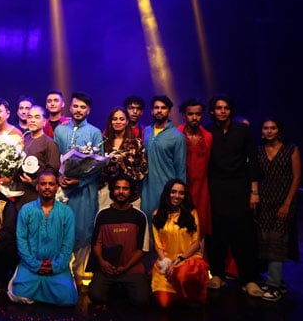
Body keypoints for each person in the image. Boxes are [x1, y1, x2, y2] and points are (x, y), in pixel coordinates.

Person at [204, 94, 263, 297]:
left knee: (244, 234)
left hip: (240, 186)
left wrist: (254, 191)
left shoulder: (243, 130)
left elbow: (253, 161)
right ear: (212, 111)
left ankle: (249, 279)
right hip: (215, 186)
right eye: (218, 108)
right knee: (217, 233)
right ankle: (218, 275)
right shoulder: (208, 131)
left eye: (226, 108)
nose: (222, 111)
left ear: (231, 110)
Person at [53, 91, 103, 282]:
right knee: (62, 229)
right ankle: (61, 273)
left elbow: (98, 166)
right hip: (63, 189)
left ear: (88, 110)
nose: (78, 110)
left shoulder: (94, 132)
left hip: (84, 190)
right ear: (70, 107)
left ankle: (81, 275)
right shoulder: (60, 130)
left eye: (83, 107)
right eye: (75, 106)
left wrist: (79, 181)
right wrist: (59, 177)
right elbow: (55, 158)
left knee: (82, 230)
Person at [8, 170, 78, 306]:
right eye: (43, 184)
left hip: (57, 267)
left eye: (51, 184)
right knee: (17, 294)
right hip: (30, 265)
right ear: (37, 186)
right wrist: (35, 265)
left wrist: (55, 266)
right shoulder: (26, 210)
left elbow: (68, 244)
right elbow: (21, 241)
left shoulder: (66, 212)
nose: (47, 187)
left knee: (68, 298)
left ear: (57, 187)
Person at [256, 117, 302, 302]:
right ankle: (278, 281)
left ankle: (273, 286)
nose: (269, 131)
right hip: (265, 202)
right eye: (266, 128)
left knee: (278, 241)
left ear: (278, 130)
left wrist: (287, 203)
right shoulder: (259, 151)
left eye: (273, 128)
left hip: (284, 202)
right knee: (265, 240)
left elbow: (297, 178)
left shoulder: (291, 149)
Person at [87, 174, 150, 306]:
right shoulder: (102, 214)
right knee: (95, 295)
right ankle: (115, 290)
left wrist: (125, 267)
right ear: (112, 191)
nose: (121, 192)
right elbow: (96, 243)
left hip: (131, 268)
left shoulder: (139, 216)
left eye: (125, 188)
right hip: (107, 269)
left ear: (131, 191)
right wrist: (102, 262)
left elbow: (143, 249)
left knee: (142, 300)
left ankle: (120, 290)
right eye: (117, 188)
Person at [151, 179, 209, 308]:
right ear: (167, 193)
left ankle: (189, 296)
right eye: (173, 192)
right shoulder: (157, 214)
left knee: (182, 275)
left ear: (185, 196)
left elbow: (196, 243)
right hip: (166, 262)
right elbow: (157, 244)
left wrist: (177, 261)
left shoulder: (191, 213)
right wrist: (166, 263)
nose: (177, 196)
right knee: (163, 303)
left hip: (188, 259)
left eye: (181, 193)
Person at [141, 95, 187, 226]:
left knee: (165, 228)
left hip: (167, 191)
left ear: (169, 111)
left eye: (163, 108)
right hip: (146, 190)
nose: (159, 111)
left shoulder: (177, 136)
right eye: (156, 108)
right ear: (151, 111)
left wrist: (179, 195)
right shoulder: (146, 131)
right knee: (147, 228)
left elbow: (181, 169)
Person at [98, 106, 148, 211]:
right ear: (110, 122)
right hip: (106, 191)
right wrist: (109, 166)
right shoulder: (103, 142)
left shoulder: (136, 143)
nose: (118, 122)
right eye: (115, 119)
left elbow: (143, 170)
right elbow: (95, 168)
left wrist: (123, 166)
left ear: (127, 121)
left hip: (130, 192)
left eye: (121, 119)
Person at [176, 98, 213, 238]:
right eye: (190, 114)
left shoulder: (208, 137)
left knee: (201, 226)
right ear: (184, 115)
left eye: (198, 114)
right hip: (184, 185)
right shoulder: (177, 134)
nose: (194, 117)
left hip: (202, 188)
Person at [15, 105, 60, 211]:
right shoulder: (24, 140)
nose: (32, 120)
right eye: (30, 117)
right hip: (21, 192)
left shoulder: (49, 143)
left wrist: (34, 182)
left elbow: (52, 170)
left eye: (37, 117)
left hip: (38, 194)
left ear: (44, 121)